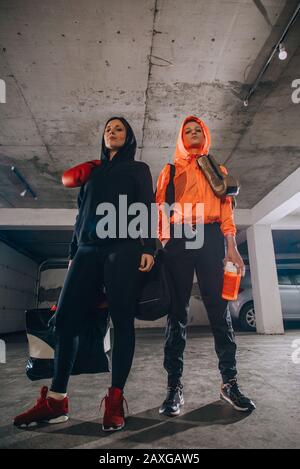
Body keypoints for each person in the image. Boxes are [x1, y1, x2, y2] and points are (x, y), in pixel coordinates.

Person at [14, 117, 156, 431]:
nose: (112, 132)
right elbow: (82, 216)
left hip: (125, 246)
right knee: (64, 320)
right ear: (103, 139)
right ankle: (56, 401)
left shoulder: (138, 170)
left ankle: (115, 399)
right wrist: (72, 255)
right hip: (87, 250)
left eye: (119, 128)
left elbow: (148, 205)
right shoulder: (92, 173)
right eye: (108, 129)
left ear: (128, 137)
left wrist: (151, 246)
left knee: (121, 321)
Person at [156, 115, 255, 416]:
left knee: (220, 311)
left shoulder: (218, 170)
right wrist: (164, 243)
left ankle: (230, 383)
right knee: (177, 313)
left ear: (205, 134)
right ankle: (174, 387)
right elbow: (160, 209)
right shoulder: (170, 170)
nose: (194, 133)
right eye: (188, 131)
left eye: (198, 130)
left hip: (211, 236)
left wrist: (232, 248)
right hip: (180, 239)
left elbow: (226, 214)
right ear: (181, 138)